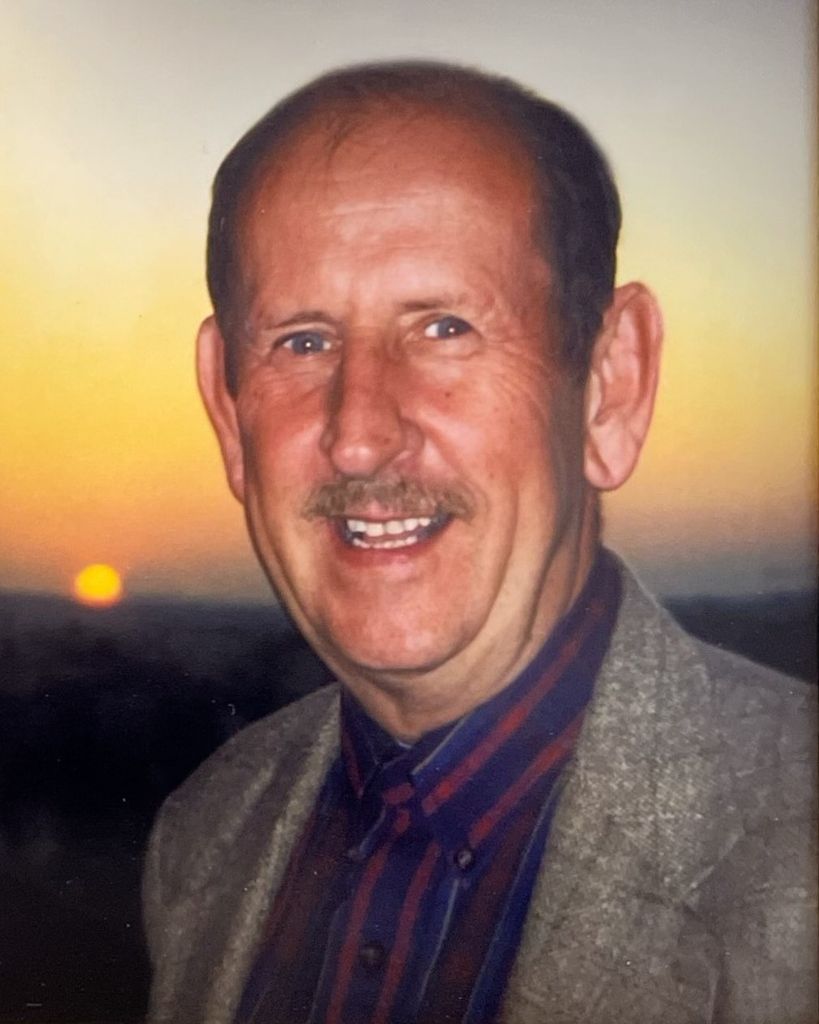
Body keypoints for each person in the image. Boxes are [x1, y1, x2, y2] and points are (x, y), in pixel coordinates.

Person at [143, 62, 817, 1024]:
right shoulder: (207, 833)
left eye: (444, 327)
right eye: (302, 342)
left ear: (610, 386)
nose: (359, 434)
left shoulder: (794, 851)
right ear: (226, 410)